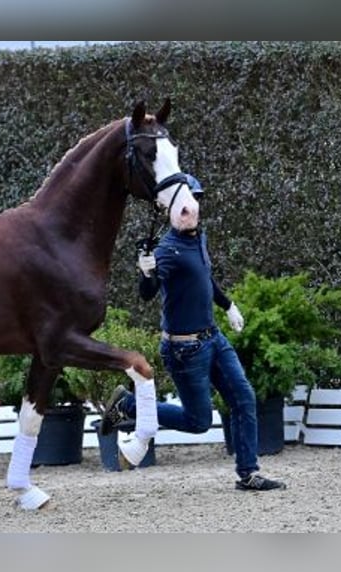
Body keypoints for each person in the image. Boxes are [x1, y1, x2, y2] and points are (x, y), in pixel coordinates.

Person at [100, 174, 286, 491]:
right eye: (183, 206)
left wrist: (228, 306)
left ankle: (248, 473)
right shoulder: (167, 250)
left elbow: (205, 278)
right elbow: (147, 292)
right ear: (172, 210)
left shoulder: (198, 237)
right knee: (199, 422)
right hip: (185, 351)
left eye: (194, 201)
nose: (190, 209)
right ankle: (129, 406)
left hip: (214, 337)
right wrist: (147, 271)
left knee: (244, 399)